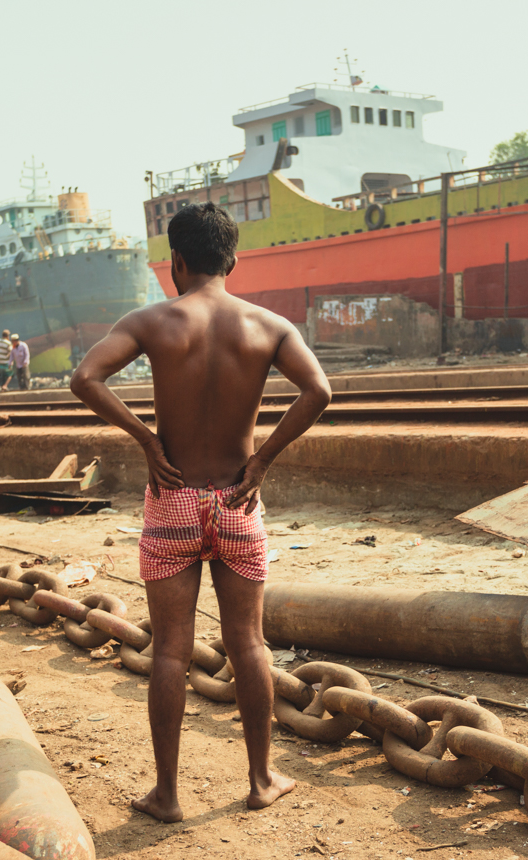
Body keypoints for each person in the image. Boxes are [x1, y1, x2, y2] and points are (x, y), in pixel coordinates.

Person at [70, 202, 332, 821]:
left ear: (176, 263)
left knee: (169, 651)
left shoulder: (154, 321)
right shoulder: (268, 326)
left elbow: (86, 378)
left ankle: (167, 794)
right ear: (233, 260)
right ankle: (263, 779)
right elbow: (319, 391)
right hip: (239, 501)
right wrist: (262, 461)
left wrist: (146, 438)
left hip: (174, 502)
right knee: (249, 644)